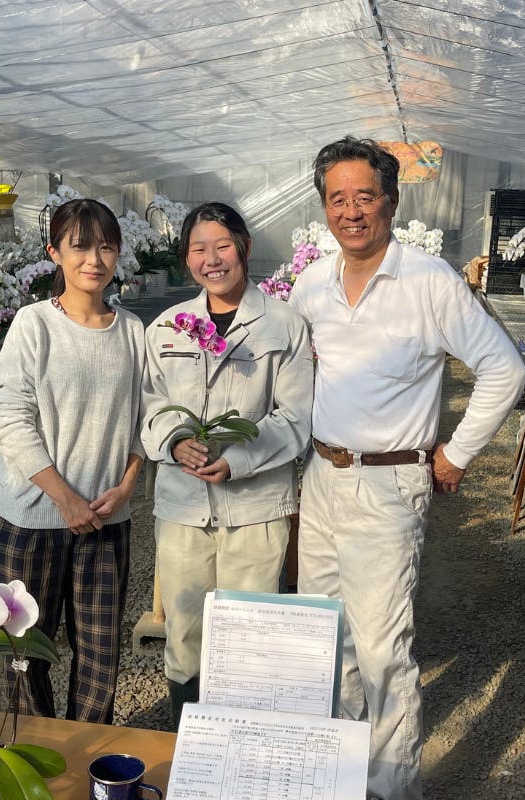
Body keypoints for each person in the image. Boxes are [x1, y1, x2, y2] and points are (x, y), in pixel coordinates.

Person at [288, 137, 525, 800]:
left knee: (382, 652)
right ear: (324, 207)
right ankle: (340, 779)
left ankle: (391, 789)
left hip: (388, 484)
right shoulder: (312, 285)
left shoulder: (428, 281)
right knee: (328, 639)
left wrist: (456, 453)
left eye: (365, 197)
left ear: (391, 202)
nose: (351, 211)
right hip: (323, 475)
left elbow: (504, 369)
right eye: (337, 199)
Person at [141, 202, 314, 725]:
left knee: (249, 635)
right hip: (183, 506)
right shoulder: (168, 327)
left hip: (255, 507)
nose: (211, 260)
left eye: (222, 246)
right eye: (199, 249)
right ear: (185, 258)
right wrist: (174, 442)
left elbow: (297, 416)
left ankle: (242, 745)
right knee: (185, 631)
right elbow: (148, 405)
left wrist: (238, 458)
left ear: (244, 247)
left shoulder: (283, 324)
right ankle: (188, 740)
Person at [0, 198, 146, 724]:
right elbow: (12, 420)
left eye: (106, 247)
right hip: (35, 517)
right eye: (79, 246)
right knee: (24, 651)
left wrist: (126, 488)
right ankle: (32, 749)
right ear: (54, 252)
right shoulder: (34, 325)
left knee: (101, 652)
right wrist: (65, 499)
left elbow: (144, 420)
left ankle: (88, 752)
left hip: (105, 517)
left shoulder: (132, 331)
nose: (94, 260)